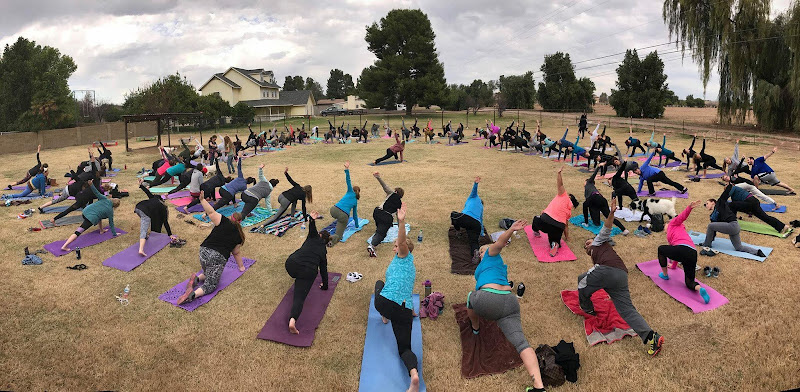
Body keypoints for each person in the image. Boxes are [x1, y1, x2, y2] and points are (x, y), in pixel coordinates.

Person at [467, 219, 546, 392]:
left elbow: (500, 243)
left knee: (470, 298)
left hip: (489, 300)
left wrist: (511, 229)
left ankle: (475, 327)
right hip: (510, 303)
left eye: (483, 251)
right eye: (480, 253)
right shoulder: (492, 266)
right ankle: (539, 387)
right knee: (521, 343)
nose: (482, 254)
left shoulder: (492, 254)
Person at [579, 198, 663, 356]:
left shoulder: (599, 240)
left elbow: (607, 227)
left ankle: (587, 308)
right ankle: (651, 337)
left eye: (588, 242)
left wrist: (611, 213)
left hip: (608, 270)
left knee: (581, 281)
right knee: (627, 310)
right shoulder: (596, 255)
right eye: (585, 246)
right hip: (620, 275)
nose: (587, 245)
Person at [372, 203, 421, 392]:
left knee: (379, 284)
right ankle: (414, 375)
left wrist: (402, 223)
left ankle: (385, 315)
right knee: (404, 349)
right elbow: (407, 291)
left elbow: (401, 243)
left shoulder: (403, 256)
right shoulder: (411, 268)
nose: (394, 247)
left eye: (395, 246)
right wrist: (413, 312)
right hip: (404, 310)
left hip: (385, 303)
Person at [177, 192, 246, 305]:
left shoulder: (222, 220)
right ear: (241, 222)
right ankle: (192, 294)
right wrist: (241, 267)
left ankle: (197, 279)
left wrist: (203, 200)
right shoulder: (239, 236)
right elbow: (236, 253)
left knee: (209, 271)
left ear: (231, 217)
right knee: (211, 285)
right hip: (217, 258)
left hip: (203, 252)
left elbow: (210, 211)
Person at [284, 210, 329, 334]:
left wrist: (312, 219)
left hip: (291, 264)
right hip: (307, 272)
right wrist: (325, 286)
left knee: (299, 274)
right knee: (299, 298)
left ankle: (292, 321)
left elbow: (313, 228)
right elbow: (324, 271)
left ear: (319, 235)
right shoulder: (323, 252)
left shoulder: (313, 237)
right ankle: (292, 321)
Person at [657, 200, 710, 304]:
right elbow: (677, 254)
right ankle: (700, 289)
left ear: (668, 223)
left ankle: (665, 275)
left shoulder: (673, 223)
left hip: (682, 249)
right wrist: (673, 266)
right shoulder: (680, 232)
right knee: (689, 282)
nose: (664, 228)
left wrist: (689, 208)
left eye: (664, 226)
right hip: (692, 253)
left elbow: (682, 217)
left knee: (660, 249)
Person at [701, 185, 767, 257]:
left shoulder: (720, 203)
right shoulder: (712, 216)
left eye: (707, 203)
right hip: (733, 228)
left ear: (713, 202)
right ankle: (757, 252)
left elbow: (726, 193)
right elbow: (713, 230)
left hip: (733, 225)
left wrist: (730, 184)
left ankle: (706, 245)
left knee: (710, 226)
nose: (706, 205)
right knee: (739, 247)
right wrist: (710, 240)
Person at [531, 166, 579, 257]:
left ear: (569, 197)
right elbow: (566, 226)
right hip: (558, 227)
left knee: (536, 219)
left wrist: (559, 173)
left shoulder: (564, 196)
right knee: (553, 237)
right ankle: (555, 243)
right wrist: (567, 237)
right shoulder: (569, 211)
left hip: (546, 221)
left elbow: (560, 185)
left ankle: (536, 231)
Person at [59, 184, 120, 252]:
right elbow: (111, 223)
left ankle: (101, 230)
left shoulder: (104, 198)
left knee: (99, 216)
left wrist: (91, 185)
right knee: (78, 232)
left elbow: (96, 192)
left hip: (85, 211)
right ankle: (64, 246)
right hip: (90, 218)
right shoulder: (110, 211)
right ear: (115, 206)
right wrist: (114, 234)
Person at [723, 176, 792, 235]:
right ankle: (783, 226)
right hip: (753, 202)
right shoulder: (734, 195)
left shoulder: (734, 188)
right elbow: (736, 206)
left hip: (751, 202)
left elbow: (725, 199)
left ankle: (732, 222)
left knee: (731, 204)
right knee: (765, 217)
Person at [135, 182, 178, 257]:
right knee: (144, 230)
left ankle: (145, 236)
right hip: (144, 211)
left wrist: (141, 186)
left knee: (145, 221)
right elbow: (165, 222)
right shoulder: (163, 207)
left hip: (138, 207)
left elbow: (147, 192)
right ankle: (141, 249)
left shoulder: (153, 198)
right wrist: (170, 234)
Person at [583, 164, 628, 235]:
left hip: (594, 198)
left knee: (584, 205)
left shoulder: (589, 183)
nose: (584, 183)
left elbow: (594, 175)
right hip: (601, 200)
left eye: (584, 181)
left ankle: (586, 223)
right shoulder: (591, 189)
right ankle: (624, 229)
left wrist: (598, 166)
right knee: (608, 216)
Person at [367, 172, 404, 257]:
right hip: (386, 217)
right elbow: (399, 218)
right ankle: (372, 246)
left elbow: (384, 186)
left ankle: (375, 238)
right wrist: (400, 229)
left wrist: (377, 177)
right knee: (382, 234)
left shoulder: (391, 193)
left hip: (377, 212)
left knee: (379, 228)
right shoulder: (400, 204)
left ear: (395, 191)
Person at [452, 177, 485, 264]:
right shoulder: (481, 208)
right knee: (473, 241)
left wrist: (476, 184)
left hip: (466, 218)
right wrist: (481, 233)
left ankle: (458, 231)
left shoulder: (474, 197)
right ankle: (475, 251)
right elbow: (481, 221)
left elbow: (474, 191)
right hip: (476, 225)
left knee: (453, 215)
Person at [328, 162, 360, 246]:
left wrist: (346, 169)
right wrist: (357, 226)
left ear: (353, 189)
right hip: (343, 216)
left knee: (340, 220)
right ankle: (331, 241)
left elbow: (348, 180)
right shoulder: (355, 202)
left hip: (333, 210)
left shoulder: (350, 191)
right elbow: (355, 215)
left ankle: (325, 237)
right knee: (339, 235)